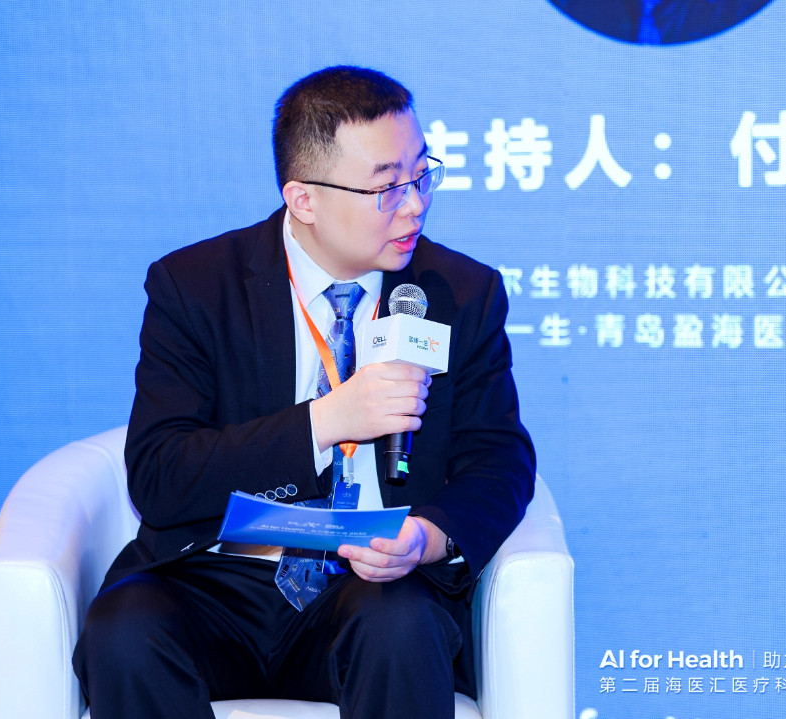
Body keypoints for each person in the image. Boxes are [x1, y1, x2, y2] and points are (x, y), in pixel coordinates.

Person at [72, 65, 536, 719]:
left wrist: (428, 537)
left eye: (420, 175)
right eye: (386, 187)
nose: (414, 204)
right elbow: (160, 475)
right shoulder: (196, 287)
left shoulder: (460, 292)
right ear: (304, 200)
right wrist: (326, 420)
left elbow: (499, 458)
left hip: (370, 587)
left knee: (402, 626)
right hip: (214, 574)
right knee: (124, 630)